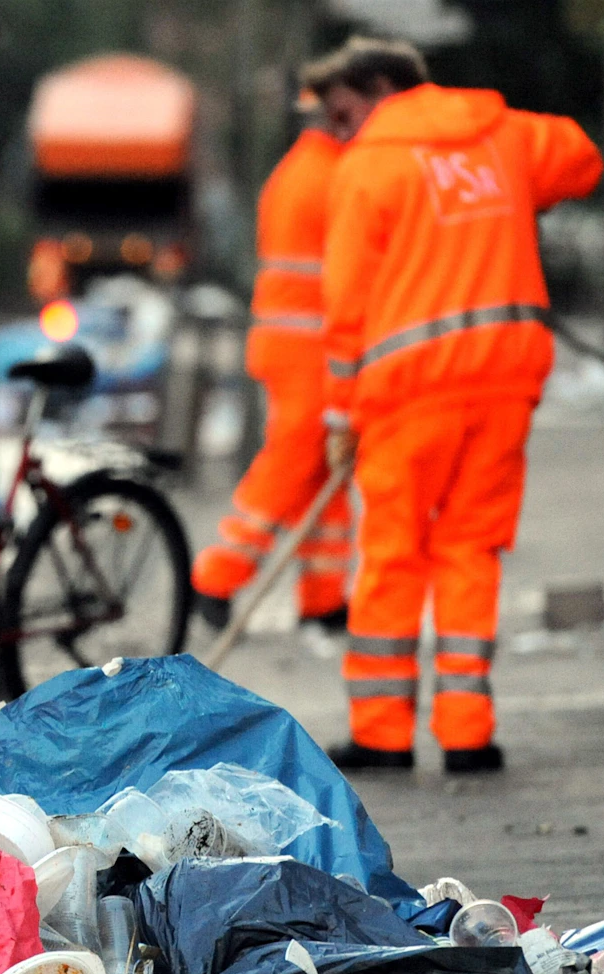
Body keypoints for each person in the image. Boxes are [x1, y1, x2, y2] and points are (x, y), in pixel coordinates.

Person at [318, 38, 603, 773]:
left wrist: (340, 414)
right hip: (505, 377)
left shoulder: (368, 167)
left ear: (383, 88)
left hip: (408, 389)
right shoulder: (500, 134)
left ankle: (382, 731)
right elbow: (581, 156)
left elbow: (346, 308)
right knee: (471, 549)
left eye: (345, 112)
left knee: (392, 554)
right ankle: (467, 731)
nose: (339, 131)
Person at [191, 61, 361, 633]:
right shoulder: (339, 178)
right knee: (291, 464)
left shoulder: (294, 171)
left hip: (284, 342)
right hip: (311, 349)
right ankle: (215, 577)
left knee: (318, 471)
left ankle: (324, 598)